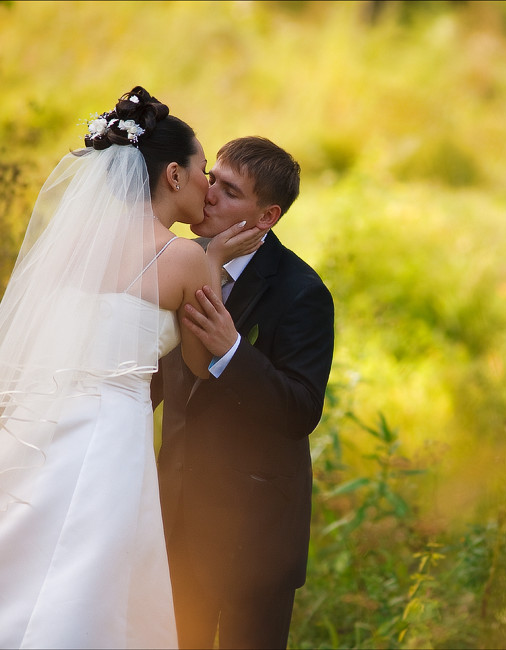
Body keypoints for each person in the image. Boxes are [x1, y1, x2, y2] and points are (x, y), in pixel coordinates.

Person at [0, 86, 262, 649]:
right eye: (203, 170)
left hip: (39, 418)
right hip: (111, 431)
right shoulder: (186, 258)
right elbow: (199, 364)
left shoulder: (75, 245)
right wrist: (214, 264)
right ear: (173, 175)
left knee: (1, 545)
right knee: (93, 564)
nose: (208, 187)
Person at [153, 136, 335, 649]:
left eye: (229, 191)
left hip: (252, 540)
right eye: (212, 179)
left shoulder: (301, 293)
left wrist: (234, 351)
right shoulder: (180, 262)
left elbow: (300, 411)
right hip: (175, 521)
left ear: (266, 216)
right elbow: (148, 381)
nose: (208, 194)